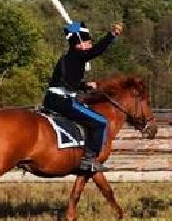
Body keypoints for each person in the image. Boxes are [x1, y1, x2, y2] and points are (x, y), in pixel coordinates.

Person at [42, 18, 125, 174]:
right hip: (63, 101)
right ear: (79, 43)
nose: (90, 45)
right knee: (101, 122)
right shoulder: (79, 55)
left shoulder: (66, 59)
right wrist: (111, 35)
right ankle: (89, 160)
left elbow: (67, 83)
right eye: (88, 42)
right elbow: (97, 51)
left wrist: (85, 85)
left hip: (51, 99)